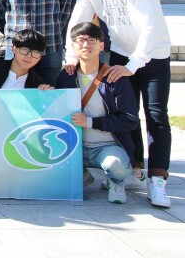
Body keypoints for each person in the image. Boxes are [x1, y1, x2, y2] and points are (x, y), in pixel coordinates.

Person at [65, 0, 173, 207]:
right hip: (122, 54)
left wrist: (133, 66)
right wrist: (71, 55)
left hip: (153, 56)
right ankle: (135, 169)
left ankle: (158, 181)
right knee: (126, 112)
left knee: (156, 116)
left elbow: (150, 26)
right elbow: (77, 21)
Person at [58, 22, 140, 205]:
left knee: (116, 167)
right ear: (73, 46)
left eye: (92, 40)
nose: (86, 44)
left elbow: (130, 120)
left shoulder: (115, 78)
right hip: (75, 145)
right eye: (80, 40)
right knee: (51, 171)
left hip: (107, 146)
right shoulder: (66, 76)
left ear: (102, 46)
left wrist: (90, 122)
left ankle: (117, 182)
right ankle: (83, 175)